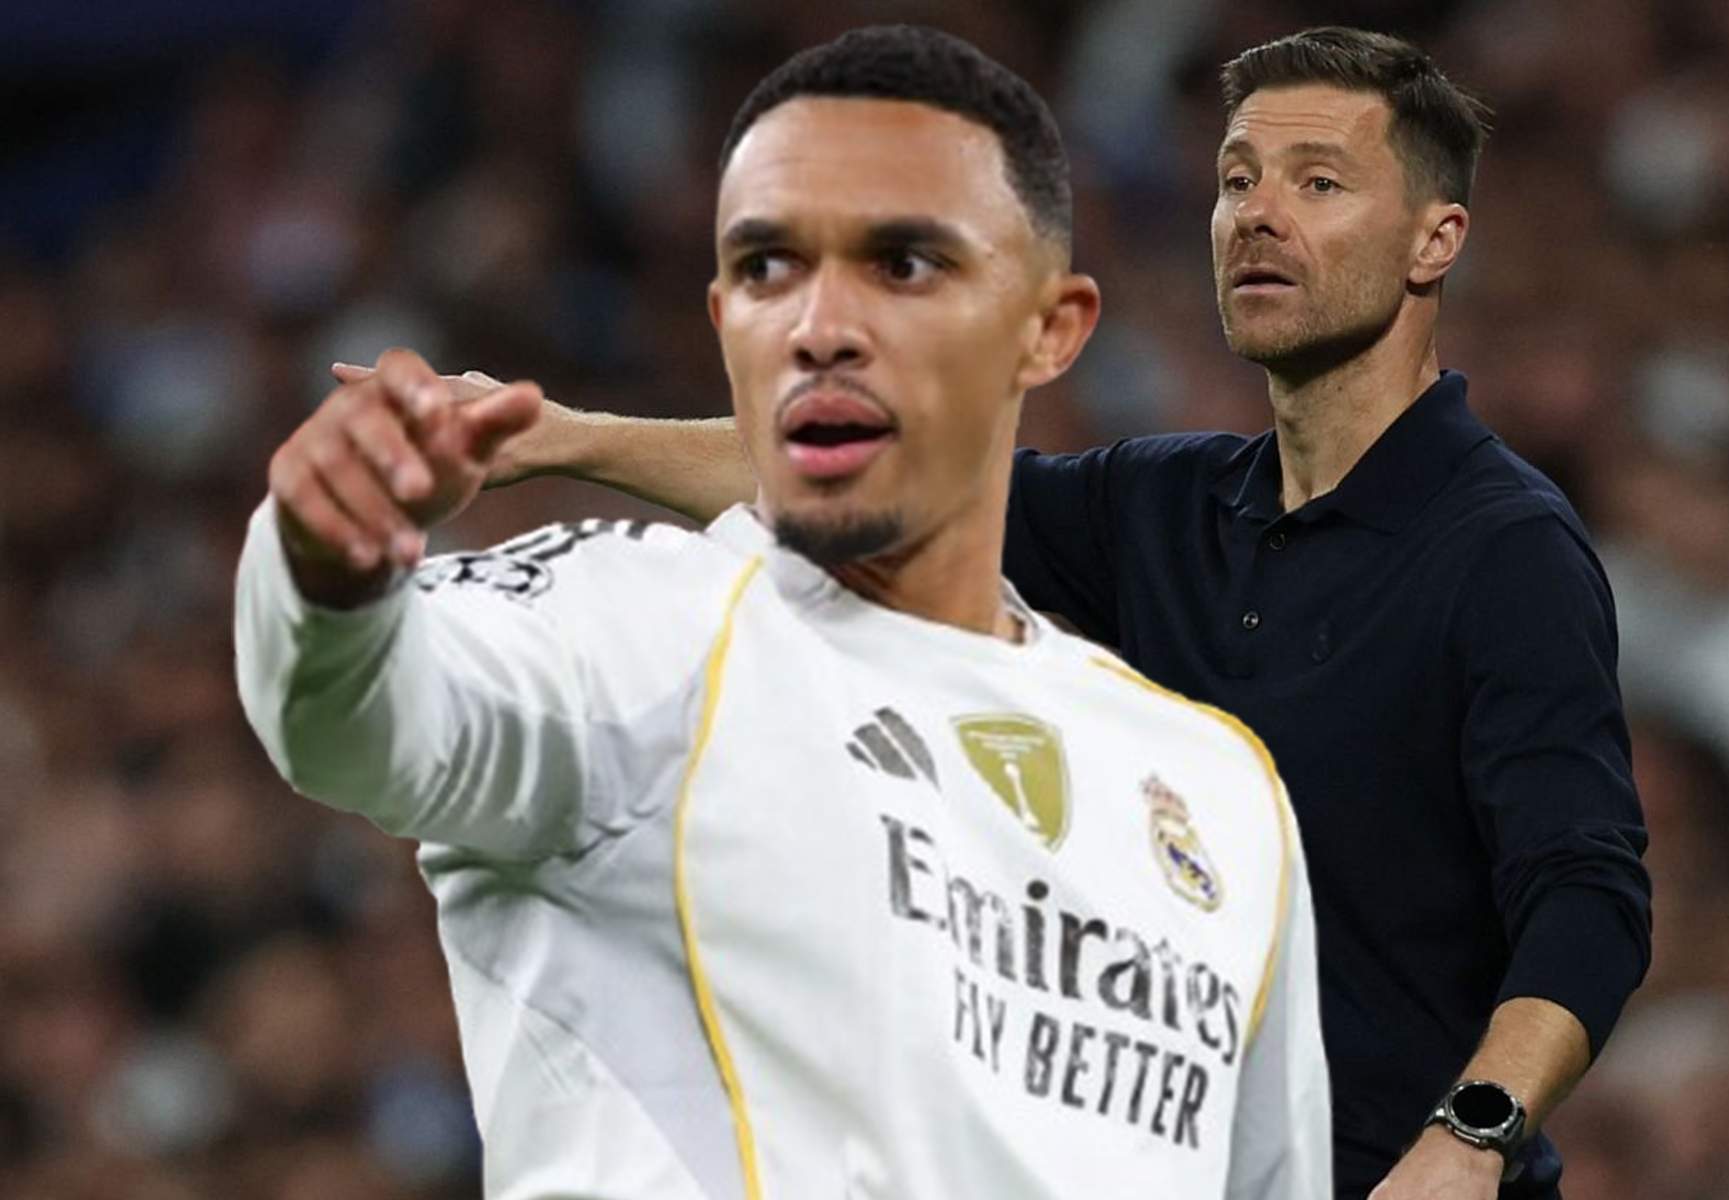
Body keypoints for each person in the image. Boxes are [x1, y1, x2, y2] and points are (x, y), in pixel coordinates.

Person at [395, 24, 1654, 1200]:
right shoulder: (1163, 506)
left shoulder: (1503, 550)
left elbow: (1587, 898)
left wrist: (1470, 1136)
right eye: (1234, 180)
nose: (1256, 215)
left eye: (1317, 184)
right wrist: (561, 435)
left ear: (1435, 241)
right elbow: (866, 482)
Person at [237, 25, 1329, 1200]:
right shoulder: (629, 629)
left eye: (903, 264)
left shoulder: (1217, 797)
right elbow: (349, 716)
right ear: (722, 321)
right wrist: (324, 564)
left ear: (1047, 328)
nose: (819, 324)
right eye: (766, 268)